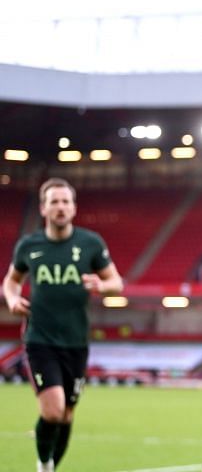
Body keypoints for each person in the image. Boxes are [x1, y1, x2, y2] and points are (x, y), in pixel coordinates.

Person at [2, 178, 124, 472]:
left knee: (67, 415)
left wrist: (101, 284)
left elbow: (116, 283)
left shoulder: (90, 243)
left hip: (76, 342)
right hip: (39, 338)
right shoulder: (29, 246)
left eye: (65, 201)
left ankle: (52, 466)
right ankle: (43, 466)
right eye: (54, 202)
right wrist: (11, 298)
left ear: (74, 208)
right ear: (43, 209)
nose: (60, 207)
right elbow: (11, 281)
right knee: (54, 410)